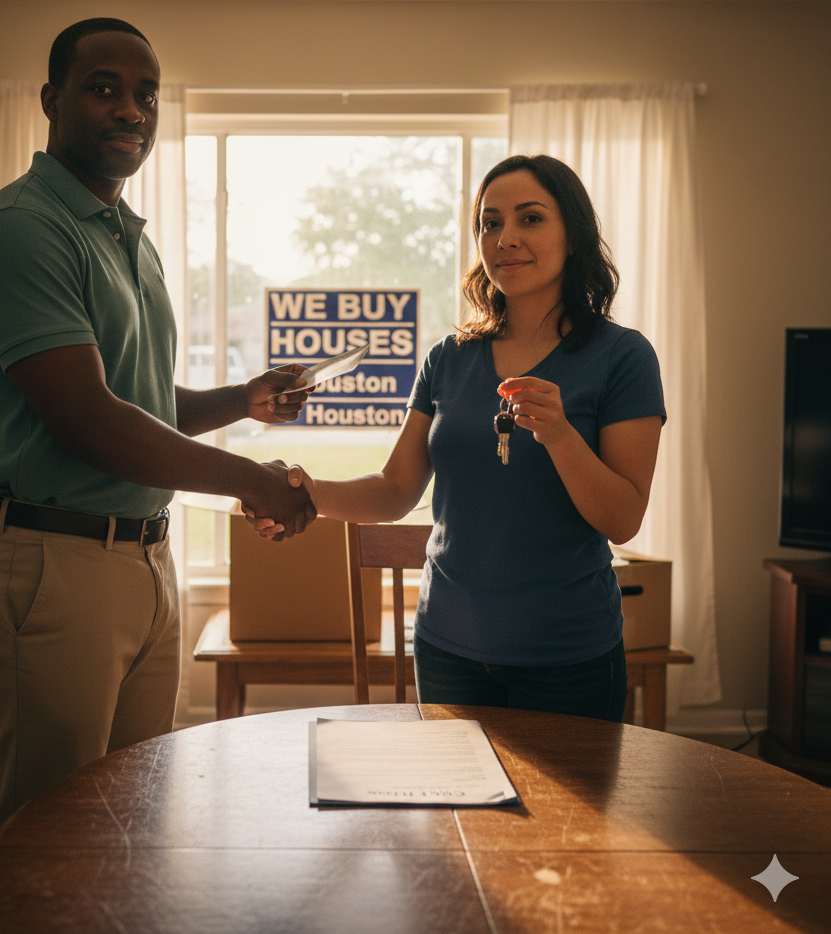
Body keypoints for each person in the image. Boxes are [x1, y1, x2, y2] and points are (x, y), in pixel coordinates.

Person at [0, 17, 315, 853]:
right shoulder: (22, 228)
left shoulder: (128, 238)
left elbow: (140, 403)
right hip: (54, 562)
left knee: (130, 818)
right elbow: (86, 420)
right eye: (104, 87)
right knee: (43, 837)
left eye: (146, 94)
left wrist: (244, 397)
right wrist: (249, 479)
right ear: (52, 100)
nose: (131, 109)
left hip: (146, 559)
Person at [249, 154, 665, 722]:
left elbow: (623, 519)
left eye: (531, 219)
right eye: (490, 223)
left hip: (568, 658)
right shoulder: (447, 359)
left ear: (574, 235)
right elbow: (396, 490)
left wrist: (562, 436)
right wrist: (303, 491)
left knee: (570, 816)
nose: (506, 238)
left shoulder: (623, 357)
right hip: (447, 648)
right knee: (458, 814)